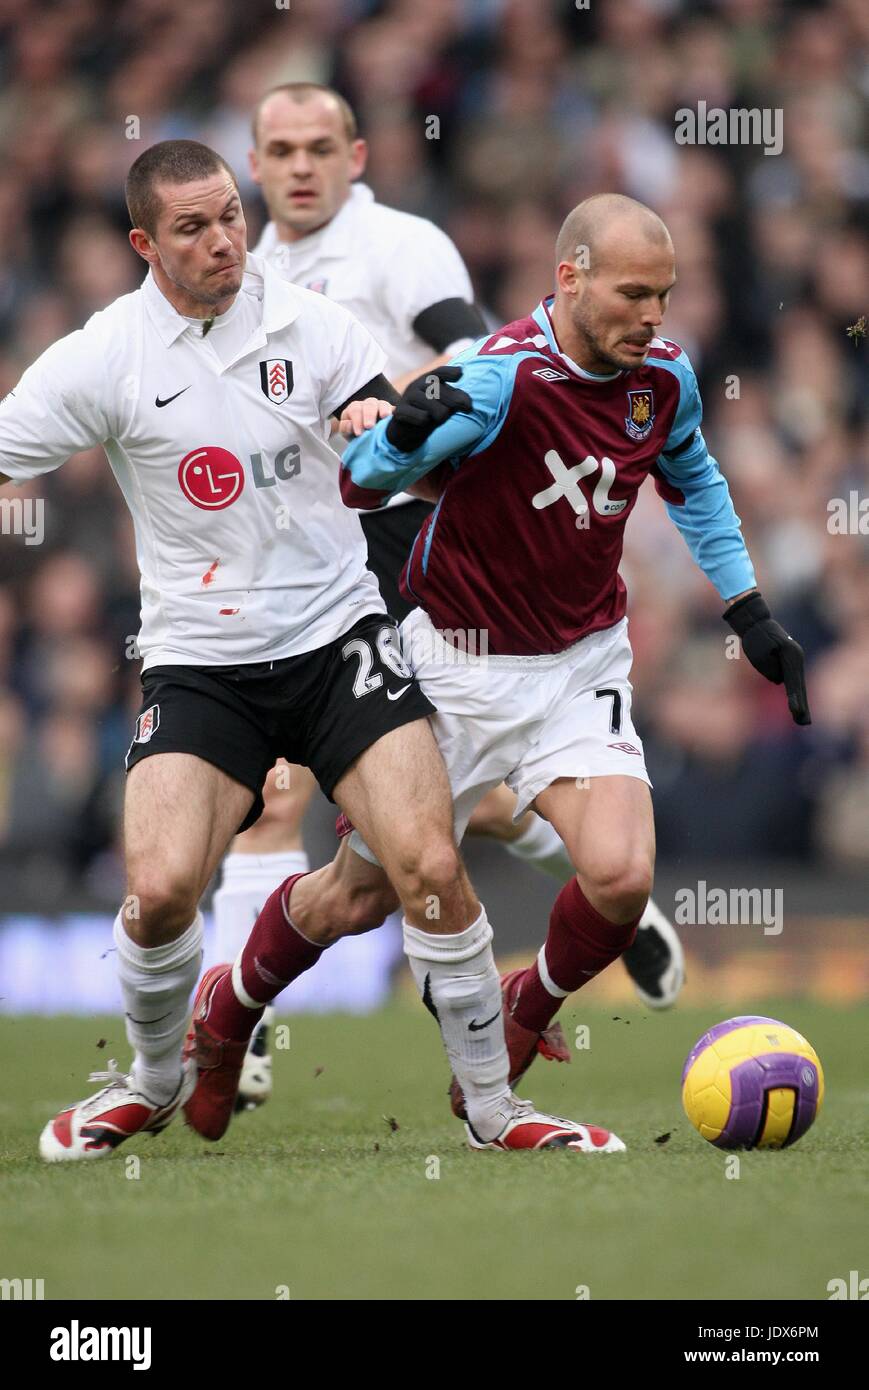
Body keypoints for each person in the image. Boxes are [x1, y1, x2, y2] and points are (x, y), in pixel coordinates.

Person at [0, 139, 605, 1160]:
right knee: (153, 896)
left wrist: (384, 424)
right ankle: (152, 1080)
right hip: (200, 661)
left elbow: (387, 434)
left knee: (427, 865)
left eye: (230, 216)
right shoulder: (108, 356)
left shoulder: (308, 322)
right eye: (192, 227)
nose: (223, 240)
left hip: (339, 639)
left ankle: (495, 1108)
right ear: (145, 243)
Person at [182, 193, 810, 1143]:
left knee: (620, 877)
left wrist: (748, 611)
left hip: (579, 663)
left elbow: (696, 484)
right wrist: (401, 427)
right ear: (571, 277)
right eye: (633, 293)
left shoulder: (667, 380)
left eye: (665, 295)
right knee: (355, 897)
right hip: (455, 670)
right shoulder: (498, 379)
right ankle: (228, 1013)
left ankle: (523, 1013)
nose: (653, 316)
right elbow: (361, 484)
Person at [218, 84, 684, 1112]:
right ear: (252, 164)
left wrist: (400, 410)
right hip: (285, 553)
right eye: (280, 150)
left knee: (333, 799)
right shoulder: (244, 277)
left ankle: (239, 1030)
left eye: (318, 148)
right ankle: (603, 889)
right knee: (419, 801)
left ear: (357, 154)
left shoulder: (400, 246)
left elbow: (474, 353)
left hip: (389, 551)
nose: (300, 168)